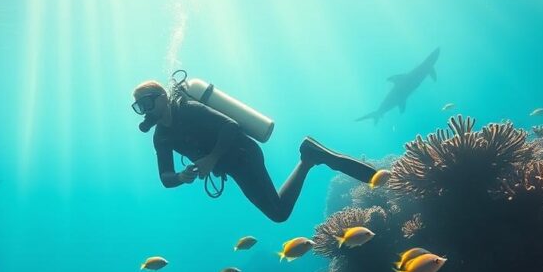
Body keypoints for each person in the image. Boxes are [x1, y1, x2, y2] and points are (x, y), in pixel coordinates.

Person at [132, 79, 377, 223]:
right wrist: (180, 177)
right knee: (278, 212)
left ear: (163, 97)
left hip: (243, 154)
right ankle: (309, 156)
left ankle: (309, 158)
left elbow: (231, 125)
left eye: (146, 103)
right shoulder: (161, 137)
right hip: (230, 165)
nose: (145, 110)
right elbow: (165, 177)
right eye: (139, 107)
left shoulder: (188, 109)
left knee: (279, 213)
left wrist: (211, 159)